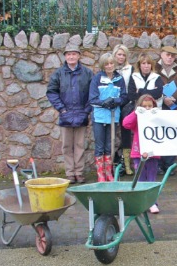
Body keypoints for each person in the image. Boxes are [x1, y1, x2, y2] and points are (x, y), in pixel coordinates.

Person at [46, 44, 93, 184]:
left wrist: (86, 110)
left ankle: (79, 172)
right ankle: (70, 173)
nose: (71, 57)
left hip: (81, 114)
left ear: (79, 56)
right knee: (66, 145)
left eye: (74, 54)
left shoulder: (87, 73)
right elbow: (52, 92)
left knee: (79, 145)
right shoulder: (59, 73)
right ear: (65, 57)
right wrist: (61, 109)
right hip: (65, 114)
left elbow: (93, 92)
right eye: (68, 54)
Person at [89, 53, 128, 182]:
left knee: (109, 145)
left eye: (111, 63)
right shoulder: (97, 79)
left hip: (113, 115)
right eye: (107, 64)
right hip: (100, 116)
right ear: (103, 65)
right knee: (100, 145)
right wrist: (103, 102)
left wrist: (116, 101)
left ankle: (109, 171)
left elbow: (124, 96)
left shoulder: (119, 79)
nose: (110, 66)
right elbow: (92, 98)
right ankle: (101, 173)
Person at [123, 94, 161, 214]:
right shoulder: (138, 118)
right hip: (138, 152)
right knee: (140, 179)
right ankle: (141, 203)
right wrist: (136, 113)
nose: (147, 108)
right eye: (144, 106)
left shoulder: (156, 118)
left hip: (153, 153)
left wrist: (159, 114)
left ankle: (152, 203)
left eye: (150, 106)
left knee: (151, 178)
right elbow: (126, 124)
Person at [155, 46, 177, 175]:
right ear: (161, 54)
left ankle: (169, 165)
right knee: (158, 136)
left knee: (171, 137)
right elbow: (152, 85)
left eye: (172, 56)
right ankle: (158, 164)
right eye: (167, 55)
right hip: (159, 106)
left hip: (175, 106)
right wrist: (163, 98)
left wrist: (173, 98)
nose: (170, 58)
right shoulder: (155, 69)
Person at [113, 44, 134, 175]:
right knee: (112, 135)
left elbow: (132, 87)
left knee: (126, 135)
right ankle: (115, 163)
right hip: (113, 105)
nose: (121, 57)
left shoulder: (130, 69)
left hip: (127, 104)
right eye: (119, 54)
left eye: (123, 55)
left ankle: (126, 164)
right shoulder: (110, 67)